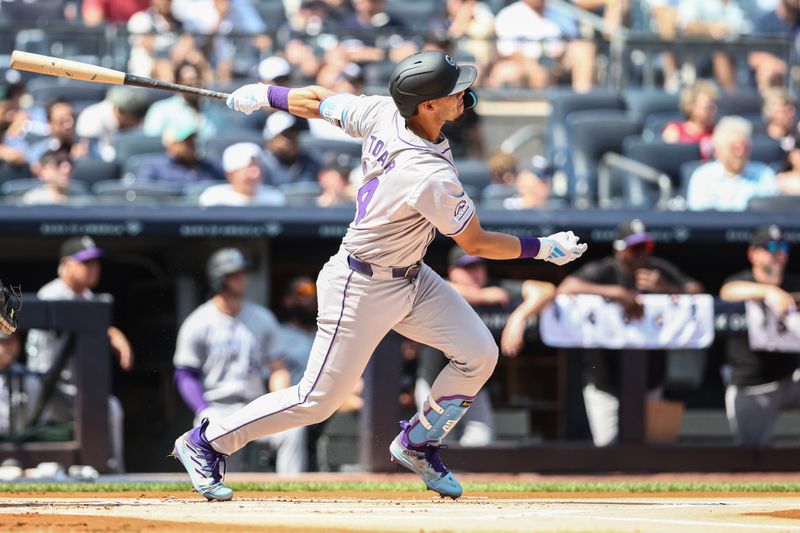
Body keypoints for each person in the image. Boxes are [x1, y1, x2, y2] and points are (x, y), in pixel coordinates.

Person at [171, 50, 587, 502]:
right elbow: (478, 243)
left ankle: (418, 442)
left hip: (413, 275)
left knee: (478, 353)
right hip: (362, 284)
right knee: (318, 400)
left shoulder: (383, 111)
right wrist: (544, 248)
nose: (465, 95)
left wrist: (268, 94)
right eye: (454, 91)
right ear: (427, 105)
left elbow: (318, 100)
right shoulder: (425, 173)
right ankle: (206, 441)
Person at [557, 219, 703, 446]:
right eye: (636, 248)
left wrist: (668, 289)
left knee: (651, 448)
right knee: (608, 447)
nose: (642, 254)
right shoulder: (607, 269)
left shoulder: (657, 270)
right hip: (605, 379)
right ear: (620, 250)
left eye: (647, 247)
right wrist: (614, 292)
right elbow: (567, 287)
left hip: (650, 378)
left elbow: (696, 290)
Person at [173, 248, 307, 473]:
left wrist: (278, 399)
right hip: (217, 408)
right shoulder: (198, 322)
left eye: (242, 273)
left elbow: (278, 368)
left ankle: (291, 491)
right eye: (235, 274)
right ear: (219, 278)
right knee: (219, 459)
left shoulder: (262, 318)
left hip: (253, 406)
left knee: (293, 431)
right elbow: (184, 375)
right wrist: (202, 409)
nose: (242, 279)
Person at [25, 236, 133, 472]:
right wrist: (110, 332)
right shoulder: (53, 294)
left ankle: (113, 472)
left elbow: (94, 322)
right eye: (85, 262)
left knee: (110, 407)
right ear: (65, 264)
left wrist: (113, 333)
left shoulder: (87, 297)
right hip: (43, 385)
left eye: (95, 263)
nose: (93, 269)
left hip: (72, 389)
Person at [719, 225, 800, 445]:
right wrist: (769, 291)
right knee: (752, 454)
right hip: (753, 384)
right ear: (753, 254)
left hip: (793, 377)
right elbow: (727, 292)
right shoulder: (741, 281)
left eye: (782, 246)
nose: (778, 253)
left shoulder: (794, 283)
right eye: (770, 247)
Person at [494, 0, 595, 91]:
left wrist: (559, 52)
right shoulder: (509, 15)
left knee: (584, 48)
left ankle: (581, 99)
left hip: (557, 60)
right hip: (526, 63)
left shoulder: (559, 12)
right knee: (511, 72)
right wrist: (533, 63)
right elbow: (507, 51)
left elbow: (572, 37)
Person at [686, 116, 779, 211]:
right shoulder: (703, 177)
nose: (741, 153)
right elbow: (701, 219)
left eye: (745, 147)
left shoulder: (765, 175)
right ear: (718, 150)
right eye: (735, 148)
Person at [137, 122, 224, 190]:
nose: (192, 145)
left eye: (192, 141)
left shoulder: (212, 168)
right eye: (185, 142)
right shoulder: (154, 169)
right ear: (170, 145)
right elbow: (144, 196)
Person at [75, 87, 151, 162]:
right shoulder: (92, 118)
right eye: (135, 119)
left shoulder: (135, 122)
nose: (137, 123)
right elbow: (91, 156)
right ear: (120, 111)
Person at [199, 143, 285, 207]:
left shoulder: (275, 200)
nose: (256, 175)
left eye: (258, 168)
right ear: (231, 174)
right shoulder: (214, 201)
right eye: (248, 169)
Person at [662, 80, 718, 160]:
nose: (713, 111)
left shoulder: (717, 133)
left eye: (714, 106)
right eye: (708, 107)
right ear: (692, 107)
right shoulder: (675, 131)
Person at [261, 111, 320, 187]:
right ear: (271, 140)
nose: (292, 139)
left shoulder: (310, 161)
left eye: (294, 133)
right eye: (286, 135)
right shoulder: (260, 166)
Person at [25, 99, 90, 165]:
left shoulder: (88, 142)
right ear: (50, 123)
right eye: (61, 121)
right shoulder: (40, 152)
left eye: (71, 118)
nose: (68, 125)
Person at [761, 87, 798, 153]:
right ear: (772, 113)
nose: (792, 114)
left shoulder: (797, 138)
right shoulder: (759, 138)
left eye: (793, 110)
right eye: (785, 111)